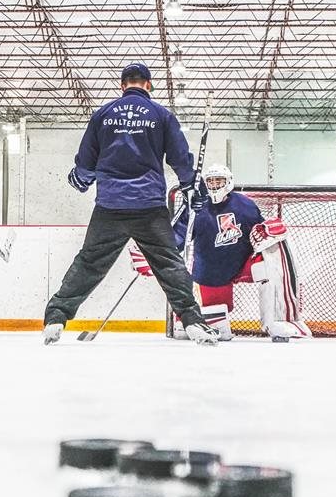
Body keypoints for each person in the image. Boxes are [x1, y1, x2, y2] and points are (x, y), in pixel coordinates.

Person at [43, 63, 219, 346]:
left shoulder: (103, 114)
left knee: (88, 263)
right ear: (148, 85)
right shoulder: (162, 115)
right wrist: (191, 186)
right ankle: (194, 321)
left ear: (122, 85)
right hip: (148, 206)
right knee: (170, 265)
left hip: (110, 206)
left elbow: (87, 159)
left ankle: (55, 318)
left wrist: (81, 178)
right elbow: (180, 158)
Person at [157, 164, 311, 341]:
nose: (214, 185)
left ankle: (281, 321)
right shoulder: (196, 207)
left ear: (228, 182)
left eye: (219, 181)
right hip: (212, 272)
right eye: (211, 181)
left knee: (272, 257)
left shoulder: (245, 205)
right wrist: (158, 253)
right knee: (216, 328)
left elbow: (260, 233)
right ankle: (190, 321)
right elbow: (178, 237)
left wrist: (267, 232)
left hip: (243, 263)